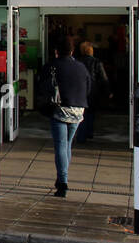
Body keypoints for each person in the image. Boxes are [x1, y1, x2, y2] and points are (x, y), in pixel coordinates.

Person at [38, 37, 92, 197]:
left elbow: (43, 86)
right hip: (78, 110)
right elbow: (88, 87)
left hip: (60, 109)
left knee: (61, 146)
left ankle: (63, 183)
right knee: (67, 144)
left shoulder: (52, 66)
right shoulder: (81, 67)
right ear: (72, 51)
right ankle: (62, 177)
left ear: (56, 51)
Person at [74, 40, 110, 144]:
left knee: (82, 113)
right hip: (93, 91)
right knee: (91, 113)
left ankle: (81, 136)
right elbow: (103, 78)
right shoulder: (97, 62)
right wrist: (108, 91)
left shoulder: (77, 61)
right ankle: (89, 132)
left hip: (80, 90)